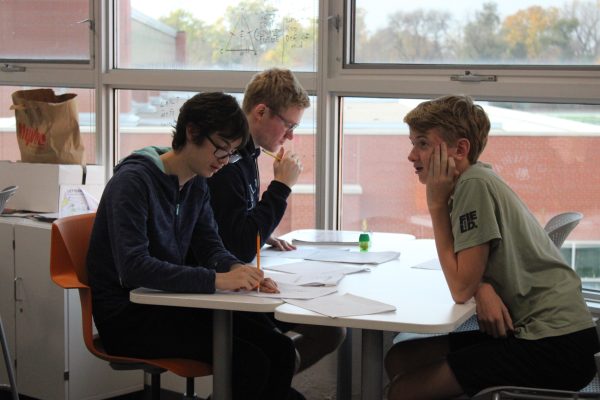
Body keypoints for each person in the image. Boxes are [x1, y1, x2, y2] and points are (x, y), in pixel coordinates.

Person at [87, 92, 304, 400]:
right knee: (250, 362)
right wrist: (217, 280)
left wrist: (237, 268)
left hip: (171, 303)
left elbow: (210, 246)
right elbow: (134, 268)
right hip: (130, 315)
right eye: (220, 149)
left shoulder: (197, 181)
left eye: (230, 153)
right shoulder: (133, 182)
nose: (224, 161)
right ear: (191, 133)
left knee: (280, 348)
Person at [384, 95, 599, 399]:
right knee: (399, 358)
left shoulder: (473, 186)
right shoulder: (474, 180)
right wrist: (481, 285)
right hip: (544, 332)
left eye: (422, 144)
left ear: (460, 149)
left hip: (555, 343)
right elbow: (471, 269)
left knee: (404, 391)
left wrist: (435, 205)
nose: (411, 155)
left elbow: (459, 286)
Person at [207, 68, 345, 372]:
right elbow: (241, 246)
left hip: (232, 274)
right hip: (217, 289)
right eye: (288, 125)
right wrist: (281, 188)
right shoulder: (226, 162)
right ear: (261, 112)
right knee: (277, 351)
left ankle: (264, 386)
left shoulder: (249, 155)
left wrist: (263, 230)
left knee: (331, 331)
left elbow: (235, 222)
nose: (291, 136)